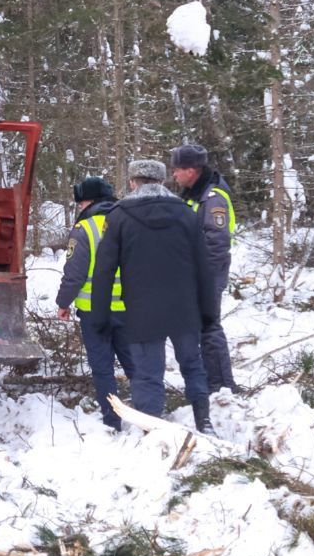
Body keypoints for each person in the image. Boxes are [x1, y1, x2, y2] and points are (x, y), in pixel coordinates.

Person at [91, 159, 217, 435]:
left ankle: (152, 430)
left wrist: (99, 315)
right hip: (184, 305)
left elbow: (104, 270)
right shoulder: (186, 214)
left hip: (142, 308)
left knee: (147, 373)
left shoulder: (119, 216)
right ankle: (203, 420)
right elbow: (204, 266)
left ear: (133, 182)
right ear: (161, 181)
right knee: (192, 364)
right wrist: (210, 312)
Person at [54, 176, 133, 431]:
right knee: (135, 363)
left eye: (80, 202)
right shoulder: (128, 222)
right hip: (128, 308)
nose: (78, 207)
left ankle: (112, 420)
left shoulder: (85, 228)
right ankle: (150, 411)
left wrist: (63, 302)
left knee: (102, 367)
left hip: (95, 312)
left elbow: (75, 273)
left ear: (89, 201)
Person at [170, 143, 238, 394]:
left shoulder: (213, 197)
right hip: (193, 273)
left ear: (192, 170)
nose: (174, 175)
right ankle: (211, 381)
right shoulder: (192, 195)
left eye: (177, 170)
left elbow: (217, 242)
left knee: (209, 327)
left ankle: (222, 384)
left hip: (207, 274)